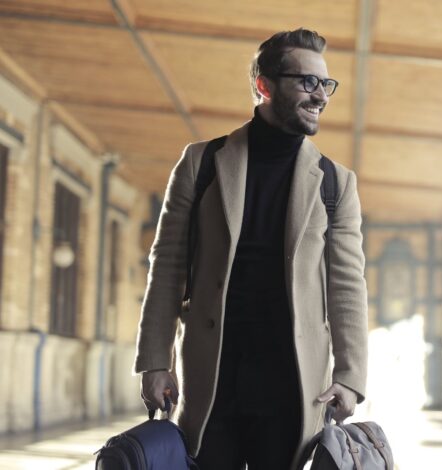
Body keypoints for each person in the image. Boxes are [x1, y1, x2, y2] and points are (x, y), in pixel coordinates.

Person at [133, 28, 368, 469]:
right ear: (264, 85)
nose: (321, 96)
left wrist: (351, 377)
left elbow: (347, 284)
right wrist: (154, 359)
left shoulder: (337, 183)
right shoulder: (200, 162)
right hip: (211, 380)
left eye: (326, 84)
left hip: (294, 387)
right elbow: (166, 266)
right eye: (307, 82)